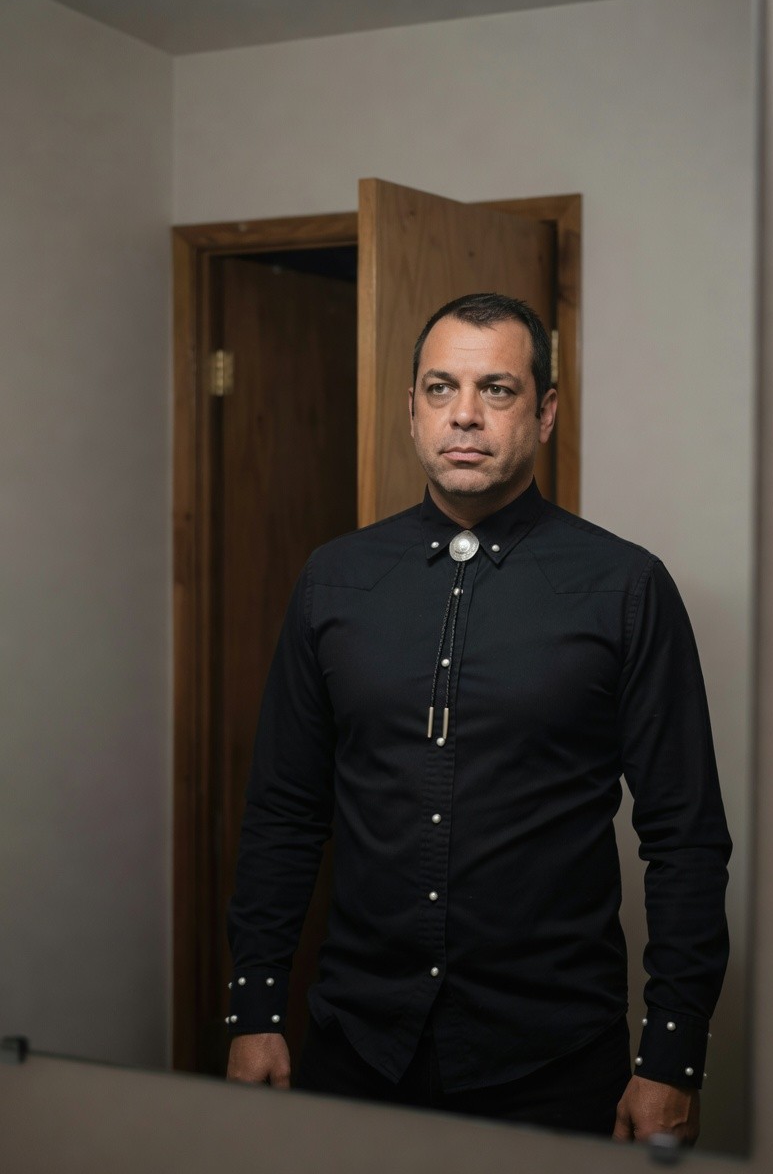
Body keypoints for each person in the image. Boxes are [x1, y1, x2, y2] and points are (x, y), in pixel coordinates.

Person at [225, 292, 731, 1144]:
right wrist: (254, 1009)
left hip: (554, 1061)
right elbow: (284, 812)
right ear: (412, 411)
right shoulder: (333, 580)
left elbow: (685, 837)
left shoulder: (625, 587)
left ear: (545, 412)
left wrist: (672, 1058)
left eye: (497, 389)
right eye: (440, 388)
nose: (464, 414)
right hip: (357, 1048)